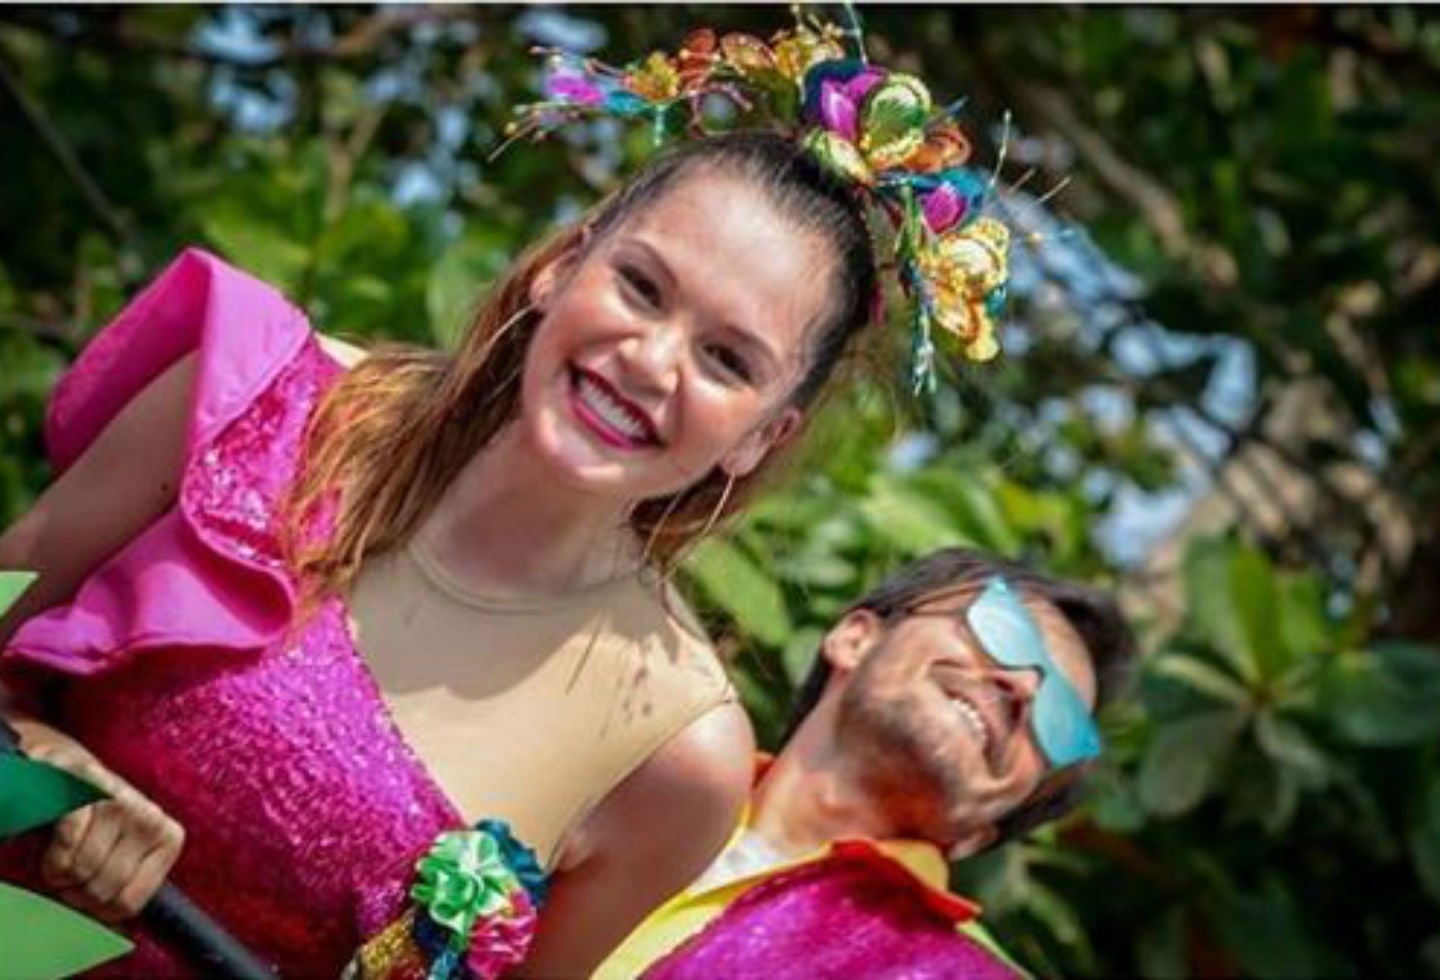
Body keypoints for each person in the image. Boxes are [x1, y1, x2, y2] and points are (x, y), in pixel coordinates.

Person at [0, 12, 1021, 978]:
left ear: (762, 436)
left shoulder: (678, 757)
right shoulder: (253, 398)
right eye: (641, 287)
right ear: (560, 267)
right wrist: (35, 763)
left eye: (726, 359)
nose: (651, 360)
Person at [595, 548, 1138, 979]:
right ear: (855, 638)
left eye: (1059, 722)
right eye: (1005, 630)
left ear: (984, 832)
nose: (1020, 686)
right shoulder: (613, 767)